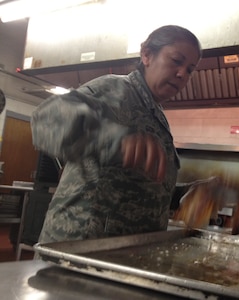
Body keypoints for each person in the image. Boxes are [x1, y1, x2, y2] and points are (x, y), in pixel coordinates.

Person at [31, 25, 205, 243]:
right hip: (79, 250)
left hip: (121, 253)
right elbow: (46, 120)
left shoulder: (156, 115)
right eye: (176, 61)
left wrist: (183, 195)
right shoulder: (115, 90)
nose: (182, 74)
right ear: (147, 54)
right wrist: (114, 140)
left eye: (190, 69)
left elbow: (140, 186)